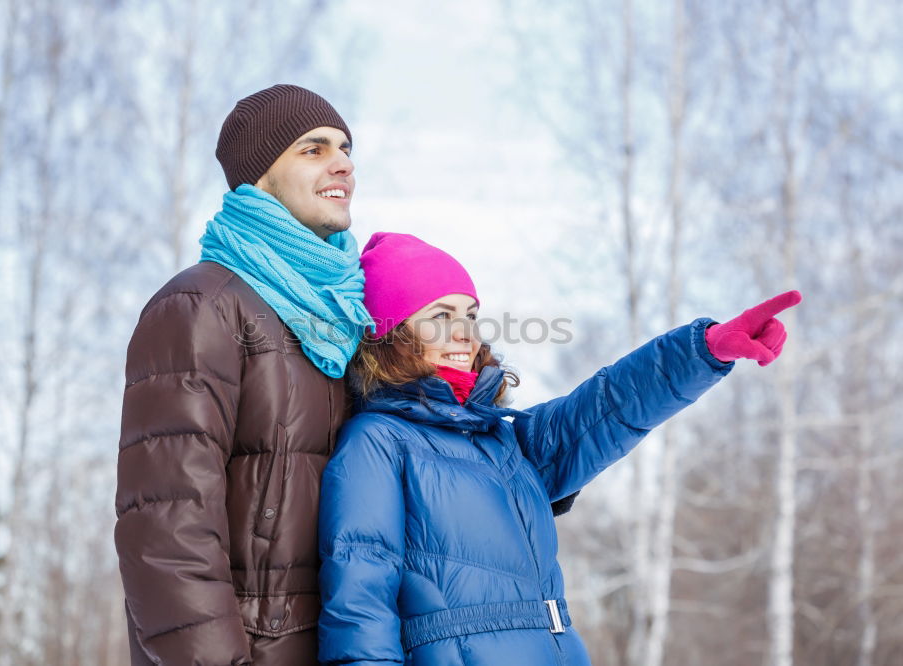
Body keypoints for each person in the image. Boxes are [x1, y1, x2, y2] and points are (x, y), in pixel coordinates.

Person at [317, 232, 800, 665]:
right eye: (440, 317)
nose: (464, 333)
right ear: (391, 332)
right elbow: (359, 602)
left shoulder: (500, 441)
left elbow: (606, 408)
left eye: (469, 314)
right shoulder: (377, 442)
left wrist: (705, 349)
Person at [115, 84, 373, 666]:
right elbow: (167, 529)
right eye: (314, 149)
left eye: (346, 148)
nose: (344, 164)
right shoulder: (202, 306)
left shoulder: (349, 316)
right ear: (259, 176)